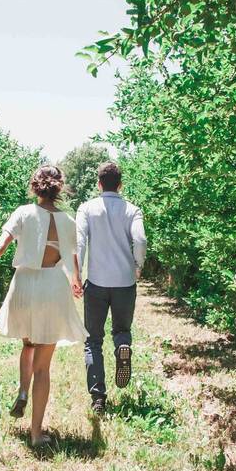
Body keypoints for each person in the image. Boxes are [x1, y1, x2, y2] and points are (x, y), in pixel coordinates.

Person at [0, 165, 86, 446]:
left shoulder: (23, 213)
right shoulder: (68, 221)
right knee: (44, 366)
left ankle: (22, 391)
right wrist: (77, 281)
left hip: (25, 285)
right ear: (59, 188)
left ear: (35, 186)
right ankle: (36, 434)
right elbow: (72, 256)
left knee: (28, 343)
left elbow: (0, 247)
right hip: (52, 286)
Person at [75, 161, 147, 416]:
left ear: (98, 184)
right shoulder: (132, 210)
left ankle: (98, 398)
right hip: (124, 284)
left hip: (96, 284)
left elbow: (79, 242)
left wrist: (75, 274)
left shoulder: (86, 209)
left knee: (93, 340)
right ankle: (122, 348)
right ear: (120, 185)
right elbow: (140, 240)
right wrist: (137, 266)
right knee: (122, 330)